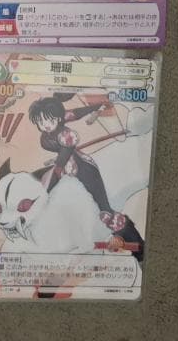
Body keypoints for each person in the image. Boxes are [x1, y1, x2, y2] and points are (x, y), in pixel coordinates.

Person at [28, 95, 144, 260]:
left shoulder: (67, 136)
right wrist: (96, 106)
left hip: (85, 170)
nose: (45, 124)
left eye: (49, 120)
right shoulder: (57, 120)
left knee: (106, 212)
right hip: (66, 165)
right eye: (40, 121)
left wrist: (43, 192)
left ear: (58, 118)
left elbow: (59, 168)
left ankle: (139, 248)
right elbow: (76, 113)